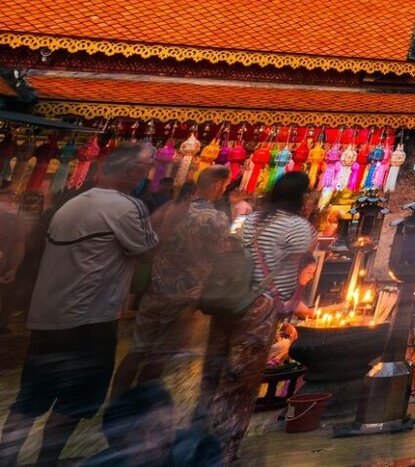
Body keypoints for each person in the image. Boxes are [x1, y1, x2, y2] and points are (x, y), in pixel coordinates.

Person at [0, 142, 159, 467]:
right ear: (134, 172)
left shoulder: (70, 205)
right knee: (73, 401)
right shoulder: (128, 207)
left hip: (47, 317)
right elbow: (147, 251)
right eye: (145, 168)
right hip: (90, 320)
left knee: (30, 399)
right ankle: (47, 461)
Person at [200, 171, 315, 464]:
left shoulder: (249, 220)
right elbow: (300, 269)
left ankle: (198, 437)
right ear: (301, 197)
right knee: (240, 381)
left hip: (230, 300)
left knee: (213, 374)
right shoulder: (298, 228)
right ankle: (223, 452)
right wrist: (294, 304)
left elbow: (229, 249)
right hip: (260, 307)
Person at [115, 168, 233, 394]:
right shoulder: (216, 218)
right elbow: (221, 256)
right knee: (161, 354)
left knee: (138, 350)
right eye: (225, 186)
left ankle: (116, 403)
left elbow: (146, 236)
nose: (224, 191)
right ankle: (141, 404)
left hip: (155, 290)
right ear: (217, 184)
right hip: (185, 296)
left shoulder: (171, 208)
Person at [81, 381, 223, 467]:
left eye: (164, 428)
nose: (149, 444)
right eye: (137, 435)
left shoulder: (199, 451)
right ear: (119, 444)